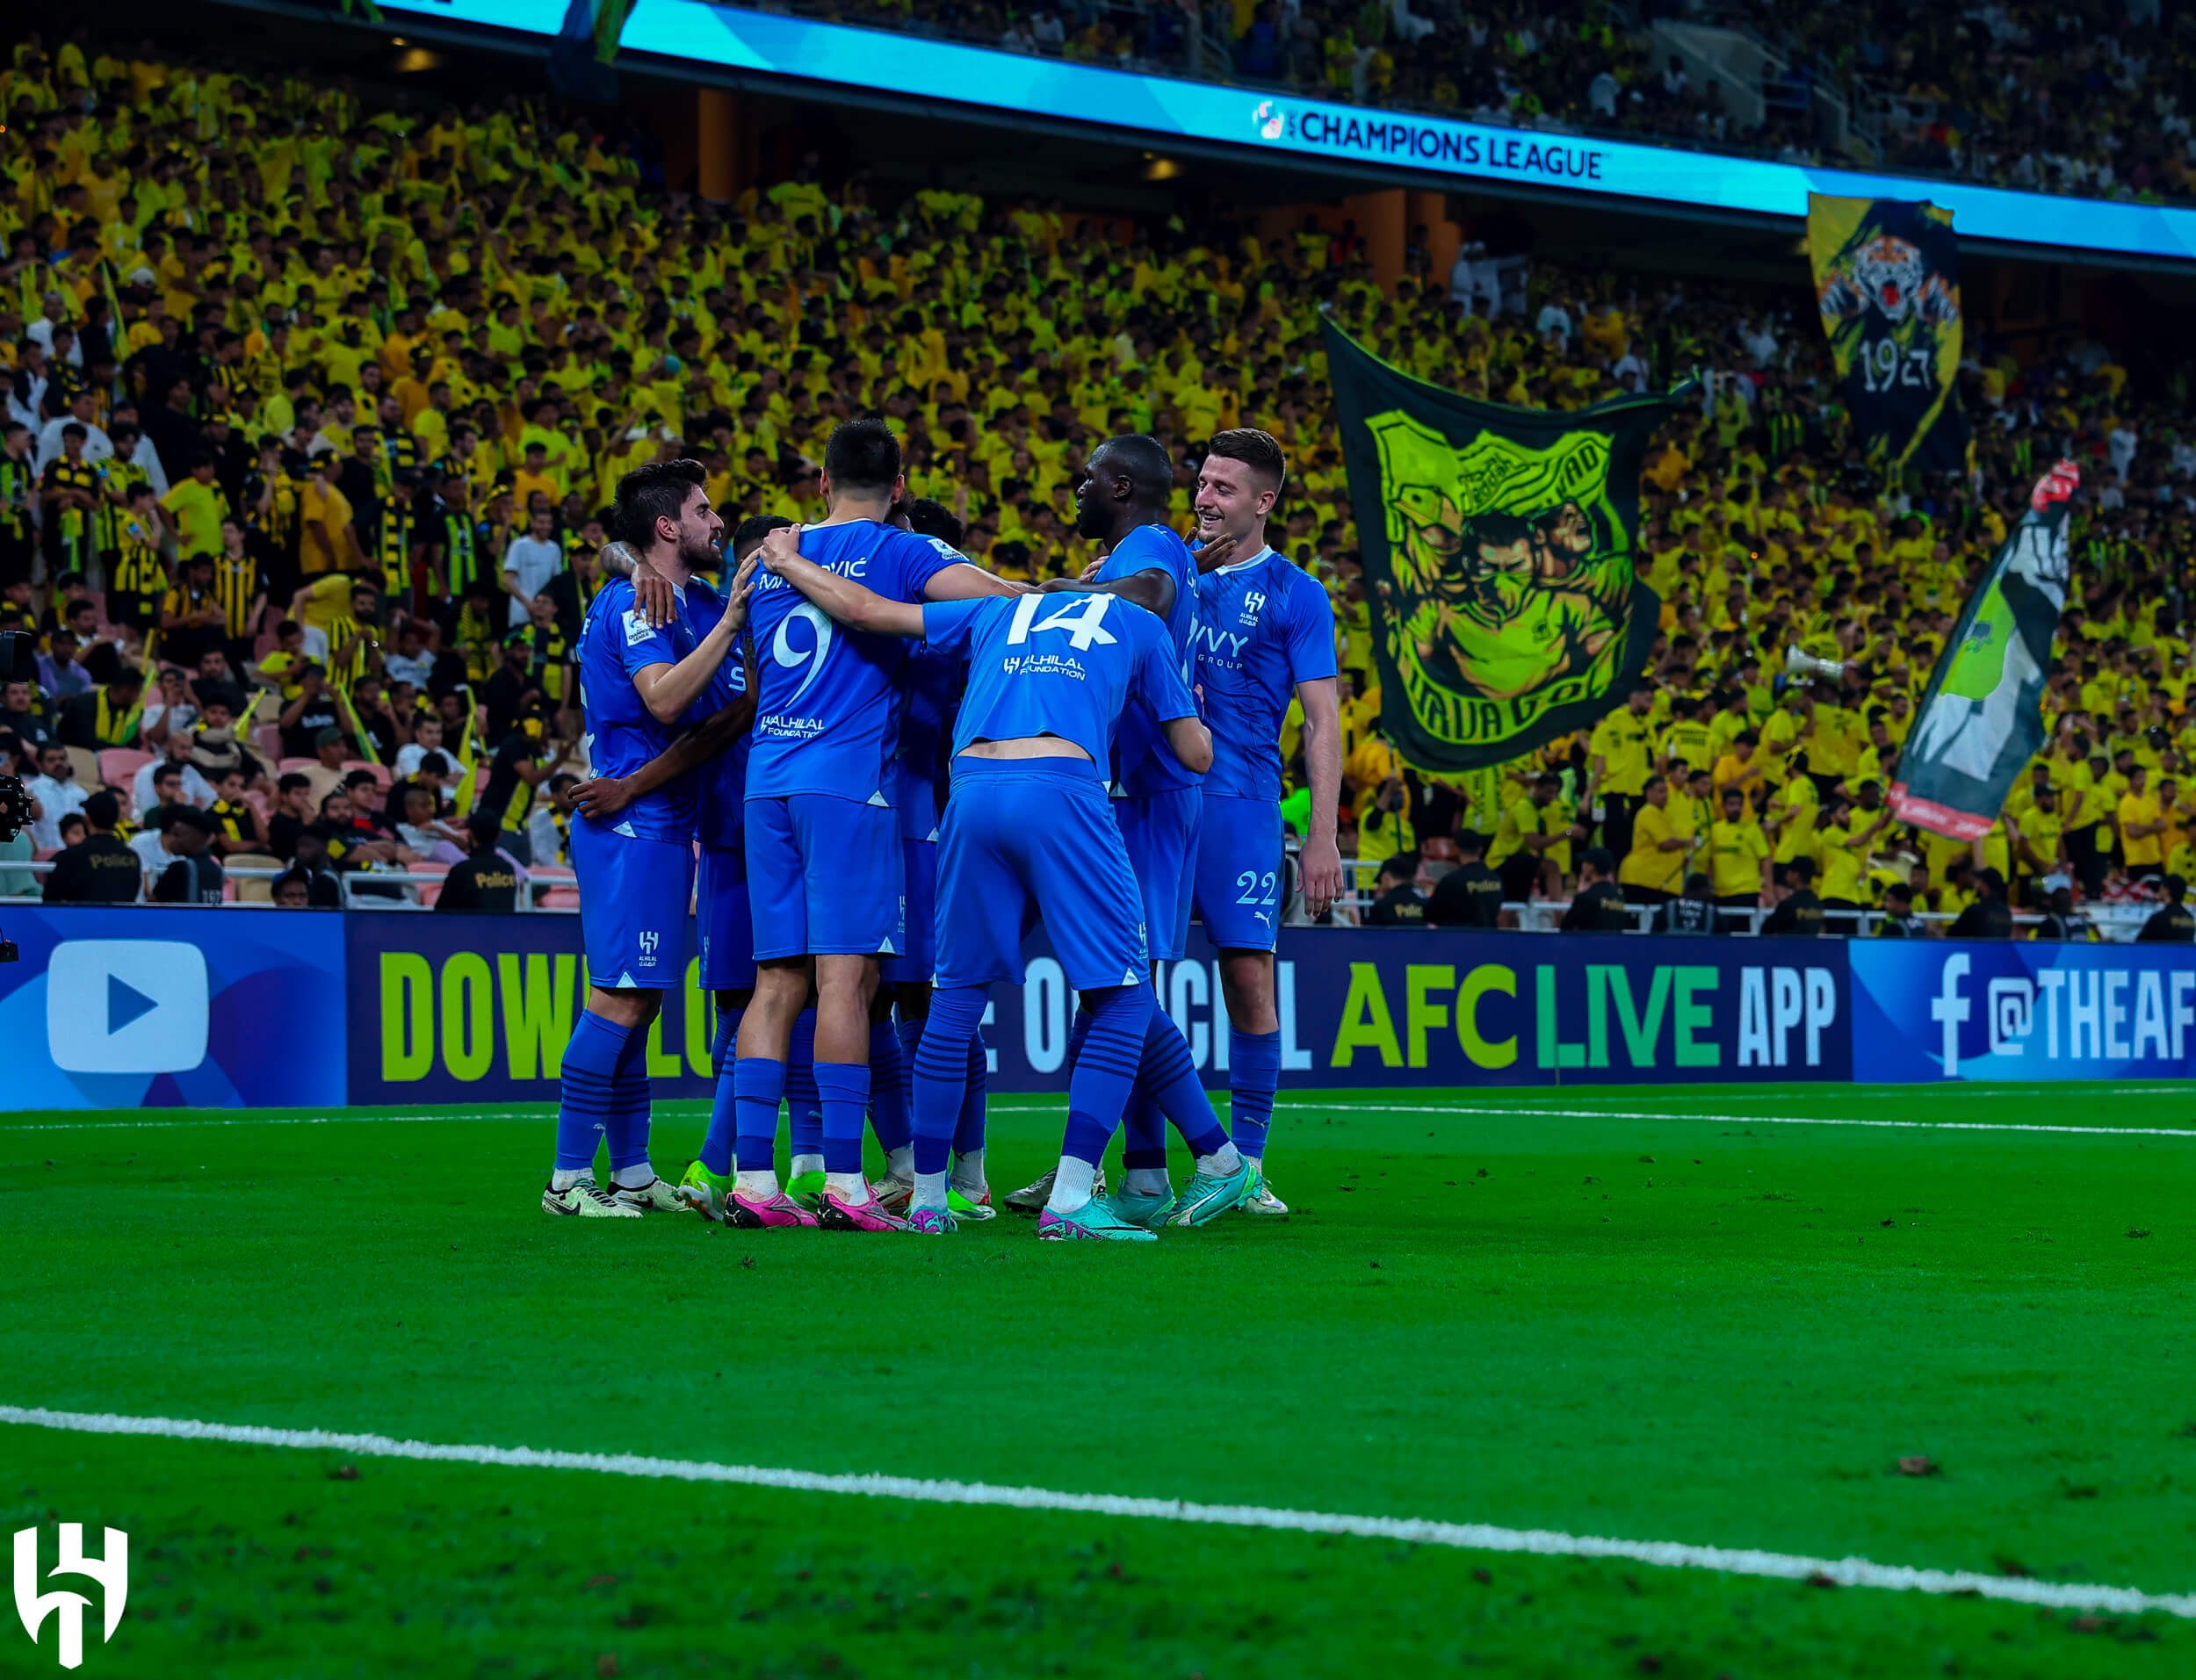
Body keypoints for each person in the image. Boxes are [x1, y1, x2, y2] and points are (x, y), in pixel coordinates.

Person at [755, 516, 1236, 1239]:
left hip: (971, 791)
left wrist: (787, 561)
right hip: (1064, 790)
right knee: (1125, 996)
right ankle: (1074, 1196)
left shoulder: (999, 607)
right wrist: (1190, 705)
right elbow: (1195, 754)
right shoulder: (1139, 622)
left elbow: (865, 610)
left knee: (952, 1003)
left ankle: (925, 1198)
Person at [721, 419, 1020, 1232]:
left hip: (765, 783)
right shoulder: (899, 550)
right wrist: (1077, 591)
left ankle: (756, 1176)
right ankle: (848, 1182)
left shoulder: (771, 558)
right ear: (898, 488)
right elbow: (997, 598)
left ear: (821, 482)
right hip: (848, 789)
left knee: (777, 981)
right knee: (846, 980)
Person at [545, 458, 751, 1221]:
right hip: (630, 824)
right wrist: (729, 623)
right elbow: (667, 702)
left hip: (667, 825)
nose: (717, 522)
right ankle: (567, 1180)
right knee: (618, 1001)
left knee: (642, 1003)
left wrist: (629, 559)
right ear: (668, 526)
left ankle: (630, 1170)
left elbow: (718, 721)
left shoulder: (686, 595)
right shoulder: (640, 607)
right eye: (703, 511)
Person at [40, 790, 141, 903]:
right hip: (122, 919)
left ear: (87, 819)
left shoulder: (72, 856)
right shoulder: (132, 857)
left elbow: (50, 898)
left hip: (81, 918)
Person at [437, 811, 524, 912]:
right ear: (499, 835)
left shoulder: (462, 870)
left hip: (469, 926)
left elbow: (441, 912)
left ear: (470, 835)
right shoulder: (508, 869)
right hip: (503, 927)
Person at [148, 806, 225, 904]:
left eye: (177, 835)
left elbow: (154, 902)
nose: (172, 840)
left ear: (195, 836)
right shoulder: (217, 869)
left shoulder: (180, 868)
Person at [1426, 829, 1501, 927]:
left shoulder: (1451, 881)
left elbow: (1431, 913)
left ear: (1456, 849)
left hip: (1459, 938)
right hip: (1491, 938)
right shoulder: (1495, 879)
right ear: (1480, 849)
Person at [1561, 847, 1630, 931]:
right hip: (1615, 943)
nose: (1582, 865)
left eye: (1585, 862)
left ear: (1591, 867)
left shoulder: (1585, 898)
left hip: (1589, 943)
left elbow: (1565, 927)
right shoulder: (1619, 898)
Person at [1761, 854, 1825, 935]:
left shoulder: (1788, 905)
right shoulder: (1817, 904)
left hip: (1789, 947)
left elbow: (1766, 929)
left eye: (1789, 871)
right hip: (1811, 947)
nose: (1786, 875)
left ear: (1796, 875)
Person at [1948, 866, 2014, 939]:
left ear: (1985, 885)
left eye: (1979, 881)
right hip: (2001, 950)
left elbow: (1951, 936)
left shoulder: (1974, 911)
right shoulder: (2005, 911)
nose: (1976, 884)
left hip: (1977, 950)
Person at [1363, 854, 1428, 925]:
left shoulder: (1383, 905)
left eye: (1379, 882)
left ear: (1386, 877)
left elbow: (1368, 933)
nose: (1378, 886)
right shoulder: (1425, 901)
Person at [1654, 872, 1721, 935]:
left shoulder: (1668, 907)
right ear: (1702, 889)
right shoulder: (1712, 912)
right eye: (1710, 888)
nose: (1712, 893)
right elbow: (1724, 941)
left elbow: (1653, 936)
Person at [2137, 873, 2195, 942]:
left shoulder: (2159, 919)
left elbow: (2139, 944)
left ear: (2166, 890)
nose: (2159, 889)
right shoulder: (2190, 918)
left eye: (2161, 886)